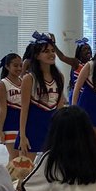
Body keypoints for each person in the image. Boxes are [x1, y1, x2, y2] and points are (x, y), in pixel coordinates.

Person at [16, 32, 67, 162]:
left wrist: (62, 131)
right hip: (33, 126)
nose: (51, 54)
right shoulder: (29, 78)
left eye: (52, 50)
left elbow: (60, 107)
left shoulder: (59, 77)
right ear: (37, 56)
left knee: (53, 169)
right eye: (46, 51)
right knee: (25, 171)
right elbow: (24, 109)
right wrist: (22, 135)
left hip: (52, 126)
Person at [0, 52, 23, 166]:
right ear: (7, 66)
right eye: (15, 65)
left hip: (23, 123)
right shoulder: (3, 84)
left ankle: (19, 182)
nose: (19, 68)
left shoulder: (24, 82)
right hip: (10, 124)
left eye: (20, 65)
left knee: (23, 158)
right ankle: (11, 181)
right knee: (14, 157)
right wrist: (0, 130)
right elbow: (2, 108)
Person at [54, 37, 91, 102]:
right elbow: (62, 57)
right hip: (77, 94)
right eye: (85, 49)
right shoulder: (76, 62)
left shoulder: (91, 64)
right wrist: (53, 45)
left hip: (86, 94)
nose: (88, 51)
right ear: (80, 52)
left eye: (89, 49)